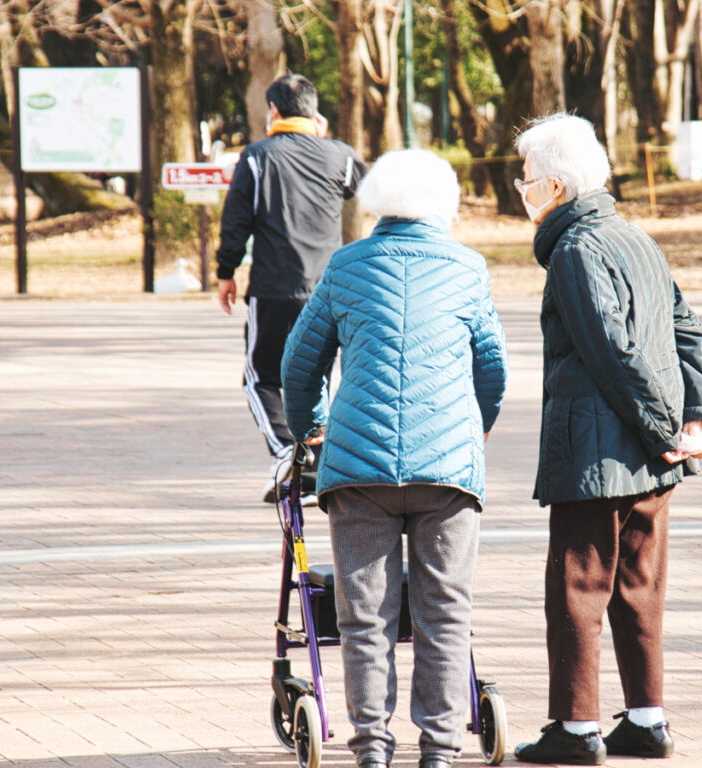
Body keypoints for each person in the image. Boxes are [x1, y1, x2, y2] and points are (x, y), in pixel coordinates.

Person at [280, 149, 508, 768]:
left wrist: (314, 431)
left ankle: (373, 749)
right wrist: (470, 432)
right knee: (444, 612)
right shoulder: (468, 267)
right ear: (445, 201)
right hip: (449, 473)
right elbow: (492, 370)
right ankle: (438, 749)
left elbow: (299, 367)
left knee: (364, 617)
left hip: (358, 470)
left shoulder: (346, 265)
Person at [511, 114, 702, 764]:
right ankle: (646, 720)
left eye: (525, 176)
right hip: (651, 458)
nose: (521, 187)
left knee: (578, 590)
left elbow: (614, 352)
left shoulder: (576, 250)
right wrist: (698, 417)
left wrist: (669, 430)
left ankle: (576, 731)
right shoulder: (636, 237)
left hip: (597, 456)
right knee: (639, 589)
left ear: (552, 186)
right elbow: (687, 329)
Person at [215, 73, 367, 503]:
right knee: (317, 372)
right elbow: (368, 190)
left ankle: (289, 455)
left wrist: (226, 271)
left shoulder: (258, 156)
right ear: (315, 114)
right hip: (330, 289)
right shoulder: (340, 155)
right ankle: (317, 462)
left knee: (261, 375)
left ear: (275, 112)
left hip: (274, 288)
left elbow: (236, 220)